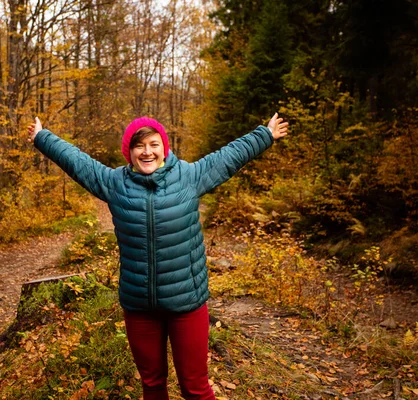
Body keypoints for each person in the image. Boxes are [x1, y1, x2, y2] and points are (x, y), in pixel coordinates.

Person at [27, 114, 288, 400]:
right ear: (129, 152)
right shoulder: (115, 184)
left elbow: (228, 157)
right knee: (152, 384)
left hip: (186, 303)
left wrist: (264, 135)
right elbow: (77, 162)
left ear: (164, 147)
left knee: (195, 388)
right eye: (139, 146)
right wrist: (42, 137)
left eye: (153, 144)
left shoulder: (189, 177)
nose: (147, 152)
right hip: (140, 307)